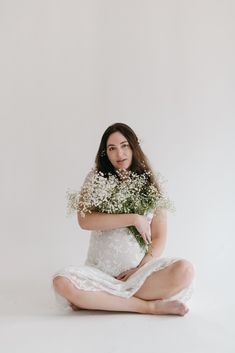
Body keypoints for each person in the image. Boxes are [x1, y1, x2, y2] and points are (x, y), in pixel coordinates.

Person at [52, 122, 195, 316]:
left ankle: (99, 301)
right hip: (99, 274)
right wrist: (133, 218)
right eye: (112, 148)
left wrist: (140, 268)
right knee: (61, 282)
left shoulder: (153, 184)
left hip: (139, 276)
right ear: (105, 153)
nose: (119, 154)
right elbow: (85, 221)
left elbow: (159, 237)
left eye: (124, 145)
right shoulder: (96, 178)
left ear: (134, 146)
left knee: (185, 270)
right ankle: (147, 306)